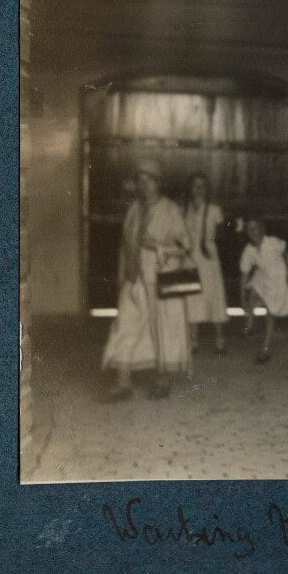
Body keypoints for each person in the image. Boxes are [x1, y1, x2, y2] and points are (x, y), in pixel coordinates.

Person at [101, 159, 192, 402]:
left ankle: (162, 381)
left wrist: (158, 246)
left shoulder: (170, 210)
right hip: (134, 279)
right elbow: (125, 244)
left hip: (161, 280)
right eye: (140, 181)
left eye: (149, 180)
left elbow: (185, 246)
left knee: (162, 329)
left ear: (158, 183)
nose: (144, 185)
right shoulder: (134, 210)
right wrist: (122, 276)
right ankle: (123, 384)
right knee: (125, 325)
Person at [183, 173, 229, 355]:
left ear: (207, 189)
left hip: (208, 255)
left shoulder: (214, 209)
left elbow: (224, 232)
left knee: (213, 294)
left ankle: (219, 339)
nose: (198, 189)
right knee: (193, 294)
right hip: (190, 255)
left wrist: (211, 239)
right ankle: (193, 340)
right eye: (195, 185)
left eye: (202, 186)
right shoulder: (184, 209)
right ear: (190, 188)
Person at [239, 216, 288, 364]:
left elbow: (287, 254)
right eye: (250, 229)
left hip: (278, 279)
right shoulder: (249, 250)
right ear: (247, 233)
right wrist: (242, 297)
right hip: (262, 277)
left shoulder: (273, 242)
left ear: (262, 229)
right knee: (251, 296)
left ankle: (265, 350)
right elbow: (244, 274)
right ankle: (249, 326)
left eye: (256, 228)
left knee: (271, 314)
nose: (253, 232)